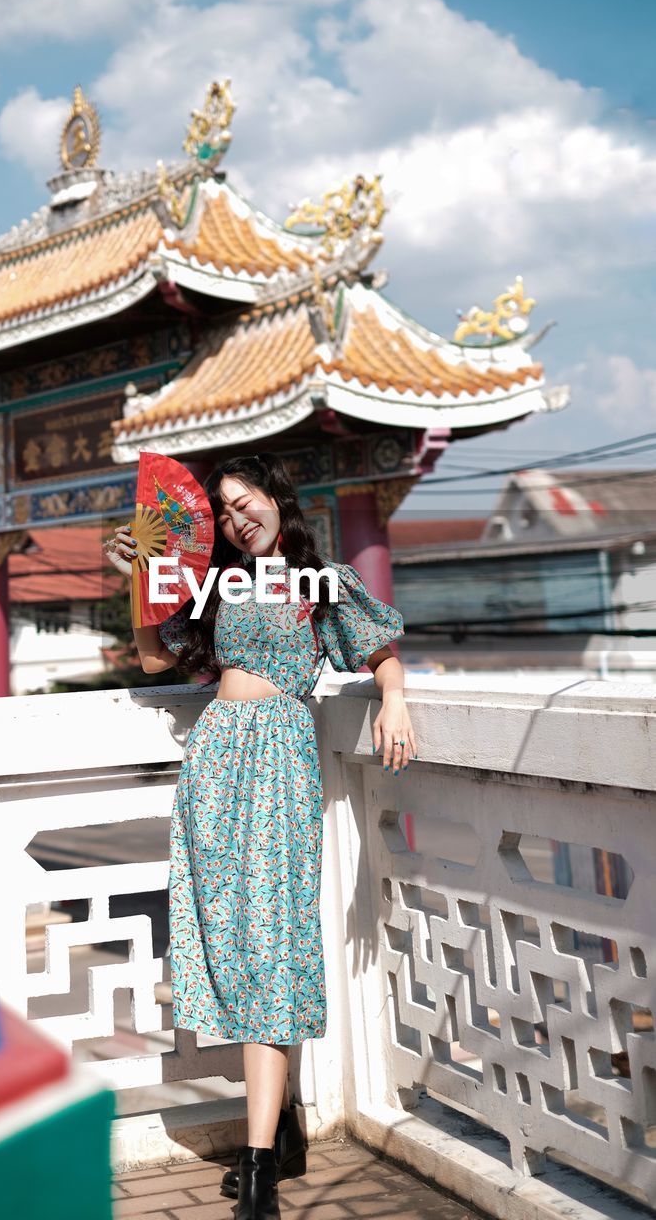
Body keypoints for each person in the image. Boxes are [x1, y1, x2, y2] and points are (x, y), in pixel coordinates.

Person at [104, 452, 414, 1220]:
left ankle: (256, 1171)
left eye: (249, 503)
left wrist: (394, 698)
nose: (240, 519)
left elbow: (378, 650)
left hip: (279, 751)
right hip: (214, 759)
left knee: (273, 941)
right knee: (234, 940)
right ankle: (281, 1133)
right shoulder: (216, 584)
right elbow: (151, 658)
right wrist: (142, 576)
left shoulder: (320, 582)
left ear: (278, 498)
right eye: (226, 510)